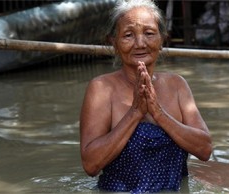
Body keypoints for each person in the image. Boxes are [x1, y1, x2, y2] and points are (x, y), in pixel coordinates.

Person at [79, 0, 212, 193]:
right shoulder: (101, 88)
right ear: (114, 43)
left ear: (162, 39)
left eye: (149, 33)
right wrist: (135, 113)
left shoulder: (177, 85)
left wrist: (158, 113)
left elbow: (205, 149)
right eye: (128, 35)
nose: (140, 43)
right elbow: (90, 165)